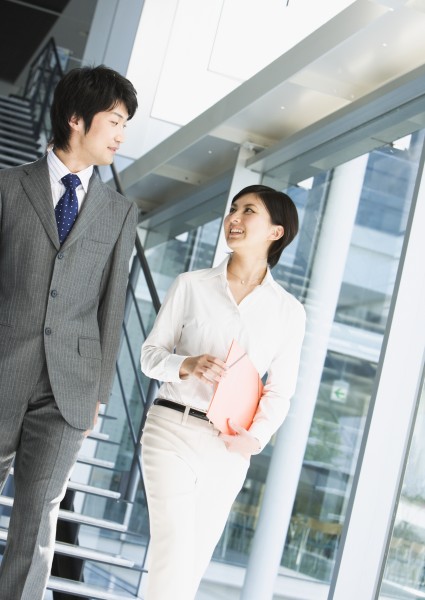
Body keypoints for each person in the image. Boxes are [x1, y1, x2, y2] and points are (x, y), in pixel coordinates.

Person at [0, 65, 138, 600]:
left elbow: (112, 305)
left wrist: (99, 392)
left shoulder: (119, 211)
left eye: (126, 125)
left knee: (38, 521)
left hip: (69, 388)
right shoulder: (9, 186)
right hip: (4, 365)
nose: (121, 135)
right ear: (77, 119)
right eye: (115, 121)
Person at [140, 184, 306, 599]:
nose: (234, 218)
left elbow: (280, 391)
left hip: (229, 447)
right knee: (173, 546)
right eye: (233, 209)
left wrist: (257, 438)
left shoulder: (288, 311)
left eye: (248, 211)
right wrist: (187, 364)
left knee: (195, 558)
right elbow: (149, 356)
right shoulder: (191, 285)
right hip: (171, 429)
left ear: (276, 232)